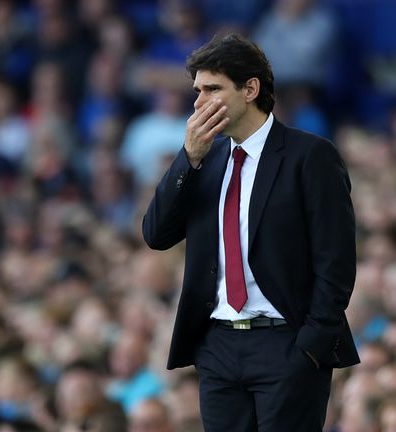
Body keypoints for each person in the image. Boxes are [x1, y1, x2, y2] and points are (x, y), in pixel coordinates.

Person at [142, 33, 359, 431]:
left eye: (212, 89)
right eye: (197, 91)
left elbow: (337, 262)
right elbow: (156, 234)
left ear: (250, 89)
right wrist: (187, 158)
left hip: (286, 342)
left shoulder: (309, 156)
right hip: (218, 345)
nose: (198, 102)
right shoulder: (202, 160)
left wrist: (309, 347)